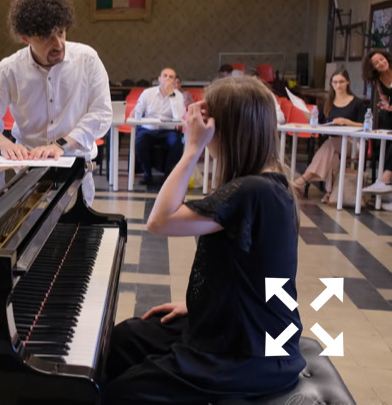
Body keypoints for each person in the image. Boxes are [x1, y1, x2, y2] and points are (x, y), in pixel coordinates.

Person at [104, 77, 304, 405]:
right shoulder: (266, 184)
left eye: (208, 120)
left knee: (121, 394)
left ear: (227, 129)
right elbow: (253, 272)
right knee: (123, 339)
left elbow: (159, 221)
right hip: (234, 323)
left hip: (250, 351)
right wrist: (202, 303)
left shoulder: (253, 190)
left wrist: (192, 149)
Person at [0, 0, 112, 203]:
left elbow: (101, 115)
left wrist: (60, 145)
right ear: (25, 38)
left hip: (75, 171)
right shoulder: (9, 69)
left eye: (61, 32)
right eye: (46, 37)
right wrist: (5, 144)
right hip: (27, 173)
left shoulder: (88, 60)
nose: (58, 44)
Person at [292, 68, 364, 202]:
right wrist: (303, 109)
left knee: (329, 145)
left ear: (348, 82)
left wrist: (346, 122)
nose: (338, 85)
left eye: (341, 82)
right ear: (331, 83)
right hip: (333, 143)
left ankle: (305, 178)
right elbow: (316, 122)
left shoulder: (357, 103)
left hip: (353, 143)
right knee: (333, 155)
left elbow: (364, 125)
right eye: (335, 82)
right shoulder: (328, 103)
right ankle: (330, 194)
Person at [132, 68, 185, 184]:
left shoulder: (178, 95)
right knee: (140, 141)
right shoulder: (148, 93)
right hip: (148, 129)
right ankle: (147, 174)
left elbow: (178, 117)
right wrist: (136, 112)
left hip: (167, 130)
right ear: (159, 79)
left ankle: (168, 175)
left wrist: (172, 95)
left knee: (177, 144)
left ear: (174, 81)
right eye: (165, 76)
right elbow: (138, 112)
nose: (167, 79)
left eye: (171, 77)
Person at [361, 49, 392, 195]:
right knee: (383, 138)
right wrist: (385, 105)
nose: (381, 63)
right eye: (376, 63)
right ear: (373, 68)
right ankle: (385, 182)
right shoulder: (378, 80)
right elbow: (384, 99)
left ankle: (384, 180)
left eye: (381, 59)